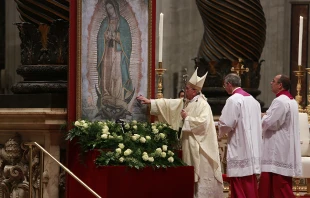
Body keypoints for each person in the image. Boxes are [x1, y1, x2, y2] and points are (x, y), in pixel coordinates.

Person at [136, 68, 223, 198]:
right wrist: (151, 102)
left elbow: (203, 123)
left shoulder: (203, 105)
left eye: (187, 88)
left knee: (199, 177)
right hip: (188, 144)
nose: (185, 90)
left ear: (194, 91)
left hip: (199, 148)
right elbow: (170, 103)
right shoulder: (187, 102)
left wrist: (187, 118)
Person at [218, 73, 261, 198]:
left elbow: (227, 123)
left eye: (225, 85)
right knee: (250, 182)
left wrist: (220, 131)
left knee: (239, 182)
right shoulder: (253, 100)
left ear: (229, 84)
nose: (225, 88)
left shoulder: (233, 100)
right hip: (252, 149)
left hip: (240, 146)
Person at [259, 74, 302, 198]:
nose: (270, 83)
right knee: (280, 183)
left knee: (279, 185)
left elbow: (272, 123)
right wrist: (266, 115)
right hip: (285, 144)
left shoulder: (280, 100)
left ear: (280, 85)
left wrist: (261, 118)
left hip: (277, 146)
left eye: (273, 81)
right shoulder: (291, 100)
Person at [96, 0, 134, 119]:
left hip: (118, 53)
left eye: (111, 8)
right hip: (107, 52)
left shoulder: (123, 22)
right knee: (107, 73)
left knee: (117, 74)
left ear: (115, 8)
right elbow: (99, 39)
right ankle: (106, 96)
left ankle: (118, 98)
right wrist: (106, 36)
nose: (109, 11)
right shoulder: (104, 22)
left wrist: (117, 36)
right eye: (107, 9)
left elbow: (127, 40)